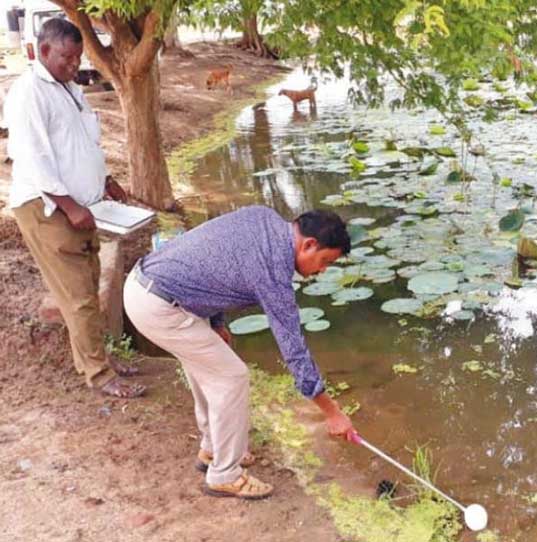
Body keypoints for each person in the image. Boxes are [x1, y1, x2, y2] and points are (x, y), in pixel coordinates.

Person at [123, 206, 356, 500]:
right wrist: (332, 414)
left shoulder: (263, 217)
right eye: (324, 262)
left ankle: (212, 449)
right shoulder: (274, 267)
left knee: (208, 370)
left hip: (146, 286)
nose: (321, 271)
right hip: (160, 305)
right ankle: (224, 474)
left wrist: (217, 321)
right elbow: (293, 349)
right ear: (308, 244)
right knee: (232, 377)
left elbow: (219, 258)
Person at [5, 18, 145, 398]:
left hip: (82, 205)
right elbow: (32, 158)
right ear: (43, 50)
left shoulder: (68, 88)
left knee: (90, 281)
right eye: (67, 57)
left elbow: (81, 146)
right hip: (48, 209)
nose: (74, 64)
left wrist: (105, 181)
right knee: (79, 296)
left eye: (77, 57)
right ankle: (99, 374)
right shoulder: (29, 92)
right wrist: (68, 204)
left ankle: (101, 358)